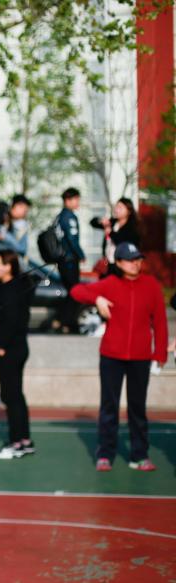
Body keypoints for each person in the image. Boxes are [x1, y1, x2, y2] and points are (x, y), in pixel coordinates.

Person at [70, 242, 168, 472]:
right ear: (120, 263)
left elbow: (160, 321)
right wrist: (97, 299)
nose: (135, 263)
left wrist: (160, 352)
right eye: (130, 260)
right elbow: (76, 291)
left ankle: (139, 455)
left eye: (138, 259)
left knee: (138, 408)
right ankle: (105, 454)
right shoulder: (109, 284)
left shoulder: (151, 285)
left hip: (141, 357)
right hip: (111, 356)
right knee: (109, 407)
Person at [0, 249, 36, 459]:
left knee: (10, 396)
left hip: (10, 349)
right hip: (19, 347)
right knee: (16, 395)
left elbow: (11, 319)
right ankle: (24, 440)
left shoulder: (10, 290)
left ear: (9, 267)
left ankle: (16, 442)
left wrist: (1, 345)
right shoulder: (16, 286)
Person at [54, 187, 85, 334]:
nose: (78, 202)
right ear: (68, 200)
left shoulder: (59, 217)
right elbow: (72, 239)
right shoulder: (69, 217)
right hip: (69, 260)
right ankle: (64, 321)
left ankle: (63, 320)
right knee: (75, 291)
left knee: (71, 291)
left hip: (62, 260)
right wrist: (81, 254)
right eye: (76, 199)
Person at [96, 197, 139, 278]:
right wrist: (101, 220)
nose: (116, 210)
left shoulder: (132, 227)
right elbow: (93, 222)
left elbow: (124, 243)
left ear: (129, 211)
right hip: (108, 263)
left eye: (120, 207)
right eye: (116, 207)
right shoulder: (113, 222)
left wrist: (111, 233)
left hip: (121, 265)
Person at [0, 194, 30, 260]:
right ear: (12, 206)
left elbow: (22, 250)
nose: (24, 211)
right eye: (21, 207)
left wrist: (6, 237)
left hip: (12, 265)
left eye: (26, 209)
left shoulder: (23, 228)